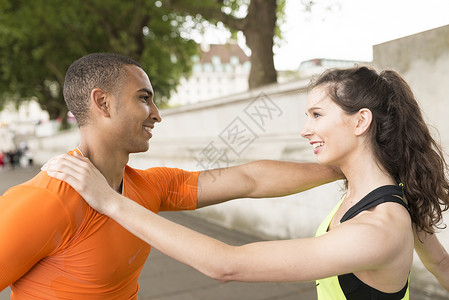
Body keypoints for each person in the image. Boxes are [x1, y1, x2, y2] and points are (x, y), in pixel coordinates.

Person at [43, 66, 449, 299]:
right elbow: (443, 263)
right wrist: (348, 164)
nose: (305, 129)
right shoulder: (383, 191)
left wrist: (111, 203)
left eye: (317, 115)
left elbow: (226, 265)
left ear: (361, 121)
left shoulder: (378, 228)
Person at [0, 53, 343, 299]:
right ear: (102, 103)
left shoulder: (149, 186)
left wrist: (343, 168)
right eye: (144, 99)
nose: (157, 114)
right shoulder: (43, 200)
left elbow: (249, 179)